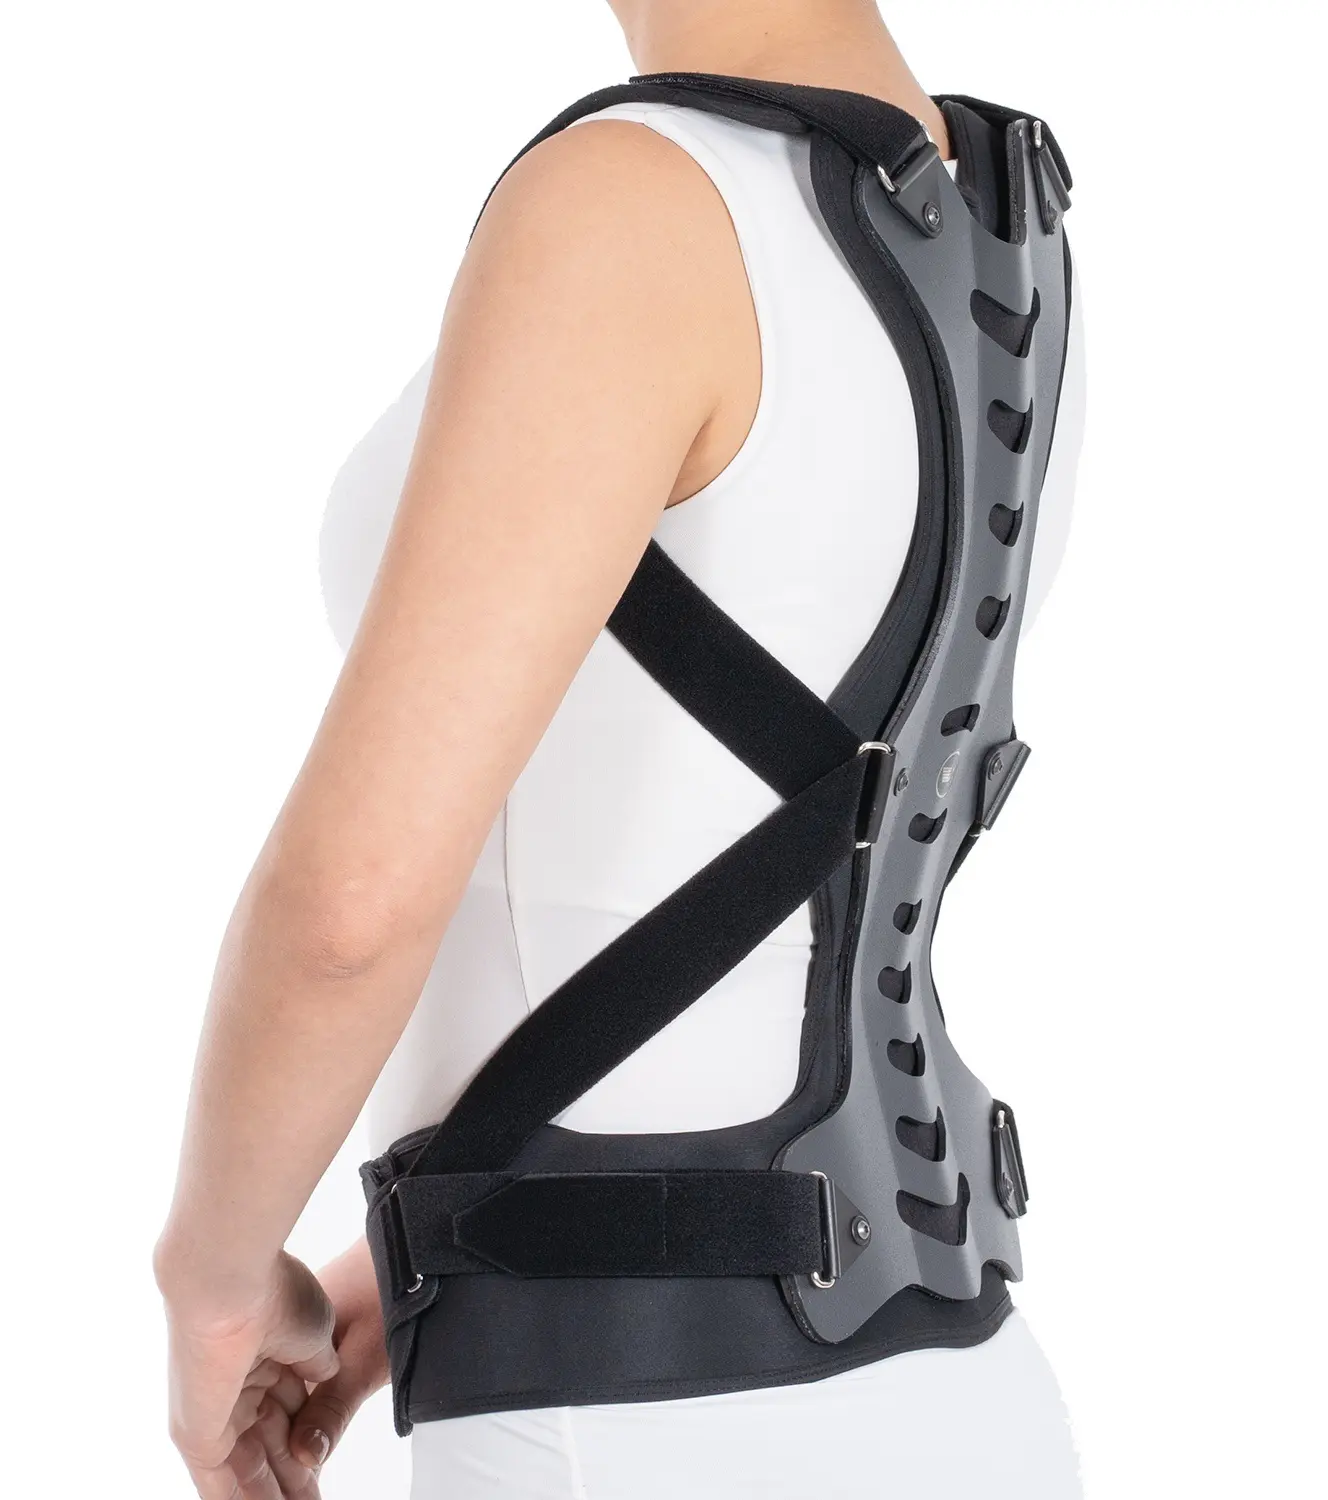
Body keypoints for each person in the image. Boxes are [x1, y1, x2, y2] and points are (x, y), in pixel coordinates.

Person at [155, 1, 1086, 1496]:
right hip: (963, 1404)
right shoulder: (1005, 243)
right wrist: (434, 1249)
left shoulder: (635, 203)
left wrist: (212, 1280)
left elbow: (349, 911)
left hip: (632, 1430)